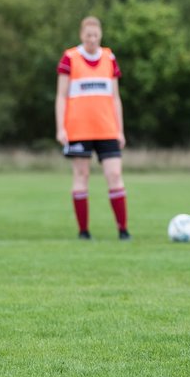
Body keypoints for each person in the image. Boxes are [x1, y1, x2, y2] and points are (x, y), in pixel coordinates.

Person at [55, 16, 130, 240]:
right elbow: (61, 95)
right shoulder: (70, 57)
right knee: (81, 175)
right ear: (81, 35)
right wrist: (61, 127)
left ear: (100, 35)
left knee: (115, 174)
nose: (92, 39)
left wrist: (120, 129)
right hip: (78, 128)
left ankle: (123, 229)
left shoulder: (109, 57)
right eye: (88, 35)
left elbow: (115, 97)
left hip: (106, 127)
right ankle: (83, 231)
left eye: (95, 35)